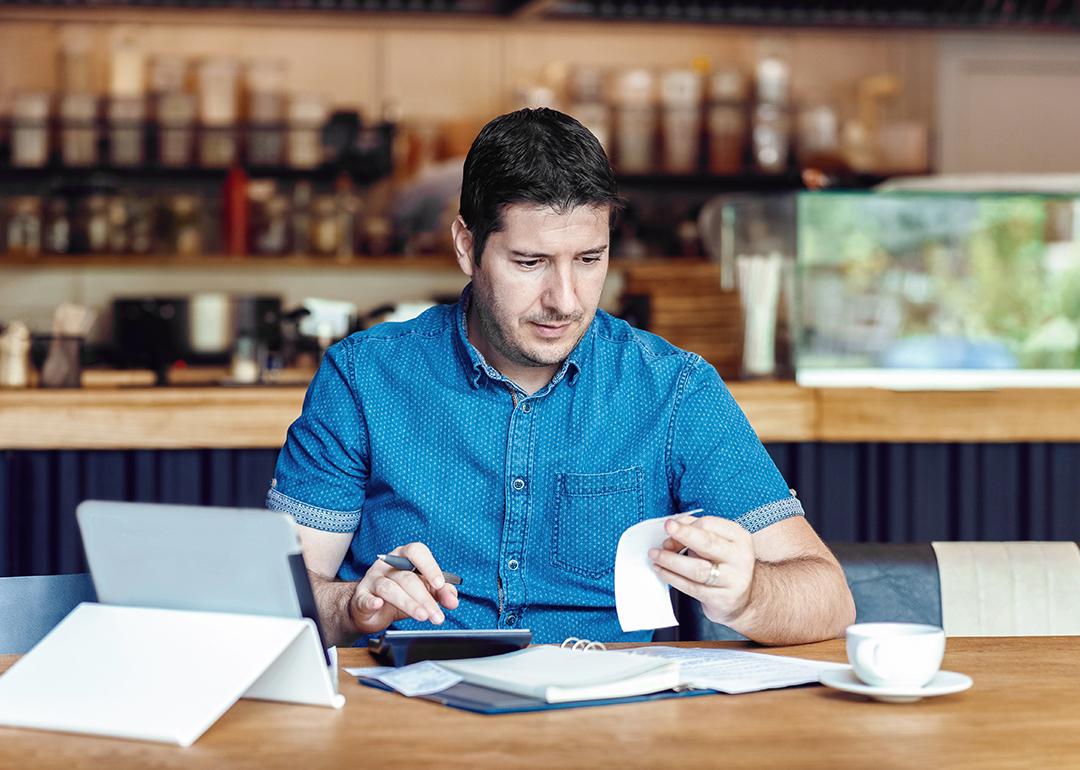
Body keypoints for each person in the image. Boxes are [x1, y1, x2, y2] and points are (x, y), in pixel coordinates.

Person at [267, 108, 855, 647]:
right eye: (530, 263)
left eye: (589, 260)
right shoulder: (363, 379)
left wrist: (750, 595)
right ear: (467, 246)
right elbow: (273, 595)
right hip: (419, 726)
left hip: (605, 728)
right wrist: (353, 606)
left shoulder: (673, 390)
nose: (565, 300)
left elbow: (829, 598)